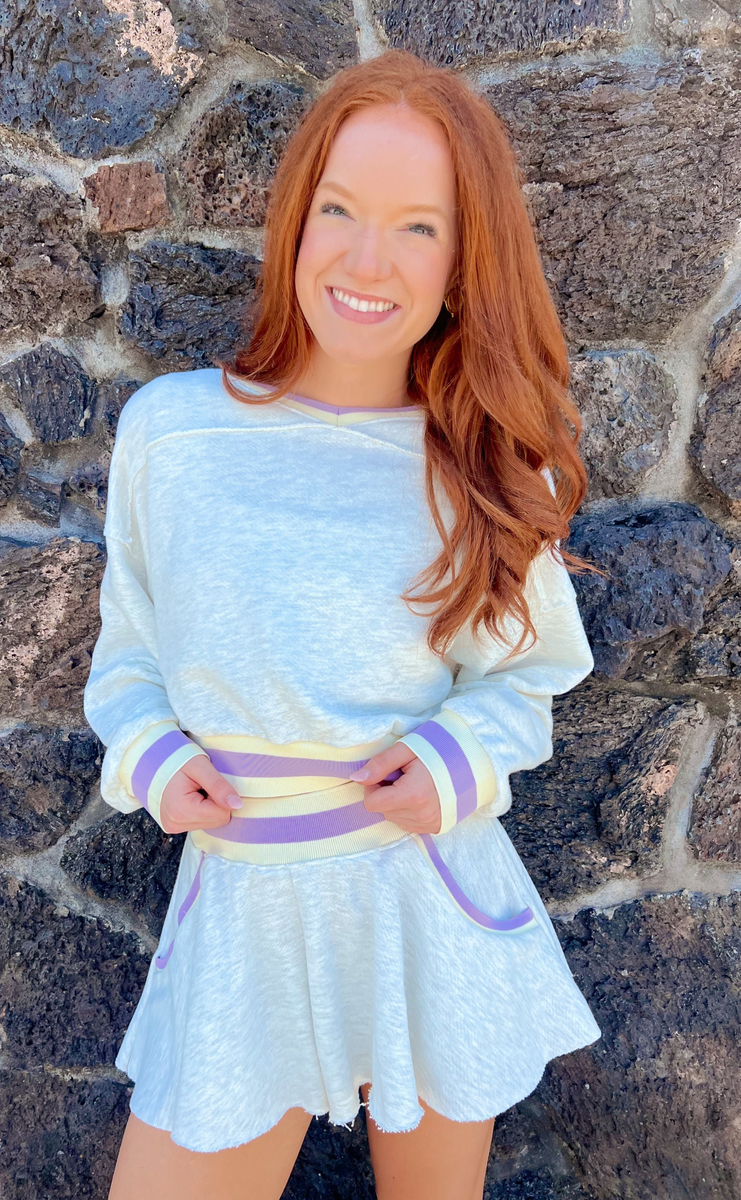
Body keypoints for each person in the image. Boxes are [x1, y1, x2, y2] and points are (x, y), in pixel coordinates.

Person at [83, 48, 602, 1200]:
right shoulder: (173, 434)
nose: (369, 260)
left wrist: (454, 762)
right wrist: (152, 759)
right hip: (247, 916)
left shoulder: (484, 464)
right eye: (339, 210)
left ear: (463, 262)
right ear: (294, 218)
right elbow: (128, 658)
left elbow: (526, 679)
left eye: (418, 227)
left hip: (425, 899)